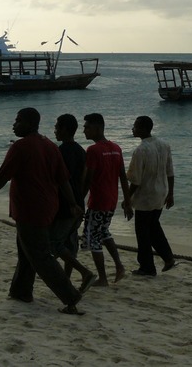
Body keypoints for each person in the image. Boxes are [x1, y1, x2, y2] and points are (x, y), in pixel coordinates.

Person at [0, 108, 85, 315]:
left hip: (30, 209)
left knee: (41, 256)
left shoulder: (21, 147)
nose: (14, 125)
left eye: (18, 121)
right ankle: (21, 291)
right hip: (47, 207)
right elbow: (63, 180)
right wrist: (73, 203)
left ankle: (71, 296)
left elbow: (3, 177)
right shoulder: (50, 146)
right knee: (26, 251)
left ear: (29, 123)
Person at [123, 116, 177, 276]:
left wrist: (127, 199)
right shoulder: (164, 145)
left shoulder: (141, 150)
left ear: (144, 129)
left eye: (135, 127)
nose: (133, 129)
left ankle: (147, 267)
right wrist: (171, 193)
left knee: (143, 233)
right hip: (160, 193)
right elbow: (170, 172)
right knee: (154, 228)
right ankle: (168, 258)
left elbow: (135, 180)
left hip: (145, 197)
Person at [81, 113, 129, 287]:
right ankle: (119, 266)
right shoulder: (116, 148)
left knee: (93, 238)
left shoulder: (93, 150)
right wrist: (127, 201)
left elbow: (88, 179)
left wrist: (79, 199)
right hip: (111, 201)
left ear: (98, 128)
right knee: (103, 232)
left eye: (87, 126)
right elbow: (123, 177)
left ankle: (102, 278)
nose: (84, 130)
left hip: (98, 201)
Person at [51, 114, 97, 292]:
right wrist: (80, 199)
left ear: (64, 129)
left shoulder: (62, 151)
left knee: (54, 244)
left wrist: (70, 202)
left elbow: (63, 180)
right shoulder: (80, 150)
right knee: (70, 244)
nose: (55, 130)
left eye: (57, 127)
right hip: (78, 202)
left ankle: (84, 273)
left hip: (66, 205)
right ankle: (66, 280)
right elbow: (85, 180)